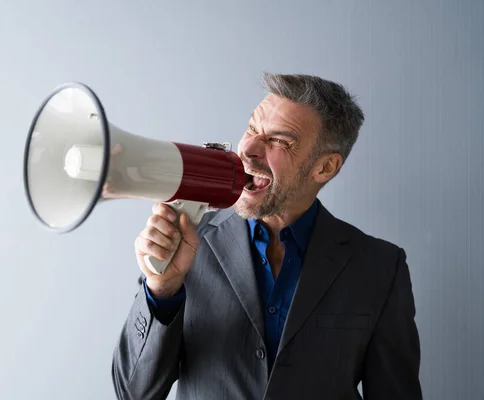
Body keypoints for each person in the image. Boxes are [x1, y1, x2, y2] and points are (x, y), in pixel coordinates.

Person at [111, 72, 423, 399]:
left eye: (279, 141)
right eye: (251, 128)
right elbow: (133, 393)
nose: (248, 149)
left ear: (326, 167)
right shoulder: (186, 239)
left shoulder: (380, 268)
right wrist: (161, 289)